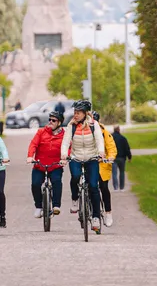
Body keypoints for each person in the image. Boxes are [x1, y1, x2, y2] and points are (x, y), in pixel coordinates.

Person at [61, 99, 106, 233]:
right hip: (76, 157)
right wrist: (64, 155)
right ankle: (75, 199)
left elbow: (99, 139)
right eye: (75, 112)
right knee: (75, 177)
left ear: (85, 113)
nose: (75, 115)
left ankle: (96, 217)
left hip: (92, 158)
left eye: (78, 113)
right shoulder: (71, 126)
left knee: (93, 186)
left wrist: (101, 152)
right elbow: (65, 142)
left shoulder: (94, 125)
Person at [27, 110, 65, 218]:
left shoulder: (64, 135)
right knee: (35, 184)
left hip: (55, 165)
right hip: (40, 165)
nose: (50, 122)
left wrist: (65, 157)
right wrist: (30, 156)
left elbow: (68, 147)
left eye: (54, 120)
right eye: (50, 119)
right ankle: (38, 206)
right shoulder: (41, 132)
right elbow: (33, 144)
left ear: (59, 123)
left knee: (57, 181)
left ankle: (56, 206)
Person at [92, 111, 117, 228]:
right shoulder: (83, 131)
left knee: (103, 187)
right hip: (89, 162)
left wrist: (110, 157)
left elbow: (111, 146)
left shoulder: (104, 132)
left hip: (102, 164)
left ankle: (108, 213)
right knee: (88, 186)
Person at [112, 125, 132, 190]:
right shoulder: (123, 138)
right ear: (119, 130)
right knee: (122, 173)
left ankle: (115, 187)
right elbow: (127, 149)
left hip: (113, 158)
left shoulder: (111, 138)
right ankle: (122, 187)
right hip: (122, 158)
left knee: (114, 173)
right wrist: (129, 157)